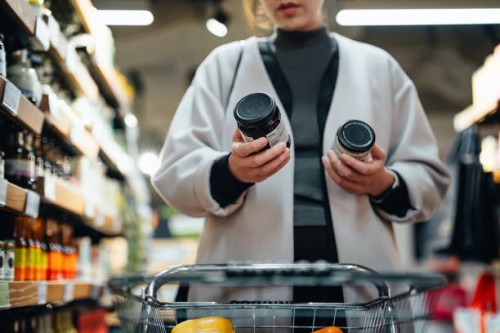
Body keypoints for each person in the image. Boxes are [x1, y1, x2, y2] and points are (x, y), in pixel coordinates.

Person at [152, 0, 450, 311]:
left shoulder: (379, 68)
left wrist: (382, 182)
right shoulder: (223, 67)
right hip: (247, 280)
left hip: (360, 281)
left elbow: (429, 178)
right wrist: (231, 172)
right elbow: (174, 170)